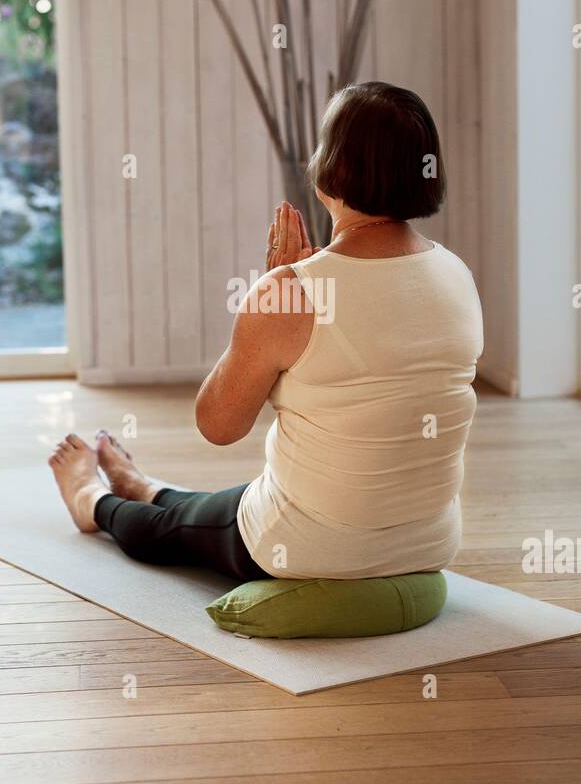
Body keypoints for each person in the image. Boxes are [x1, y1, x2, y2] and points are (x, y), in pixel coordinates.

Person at [50, 81, 483, 582]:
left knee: (173, 530)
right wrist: (289, 294)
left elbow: (218, 425)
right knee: (225, 503)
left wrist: (274, 294)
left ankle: (92, 500)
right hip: (431, 540)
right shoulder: (457, 274)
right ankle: (140, 484)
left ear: (334, 167)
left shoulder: (292, 292)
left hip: (312, 547)